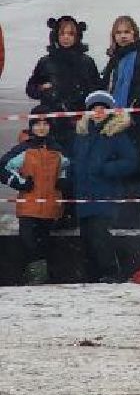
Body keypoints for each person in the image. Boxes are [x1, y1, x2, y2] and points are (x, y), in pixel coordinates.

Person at [70, 91, 138, 282]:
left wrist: (106, 169)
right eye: (94, 108)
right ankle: (93, 274)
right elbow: (75, 160)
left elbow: (131, 161)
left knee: (100, 235)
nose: (98, 111)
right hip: (83, 193)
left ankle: (112, 272)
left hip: (105, 192)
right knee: (87, 237)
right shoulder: (81, 134)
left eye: (102, 108)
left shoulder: (116, 134)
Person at [101, 16, 140, 227]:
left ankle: (130, 225)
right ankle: (115, 223)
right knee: (115, 171)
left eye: (127, 31)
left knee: (133, 171)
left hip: (134, 125)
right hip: (112, 124)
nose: (123, 36)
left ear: (134, 33)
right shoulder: (114, 59)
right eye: (119, 32)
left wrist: (130, 114)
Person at [2, 112, 68, 284]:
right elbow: (3, 168)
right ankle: (35, 278)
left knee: (44, 244)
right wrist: (20, 183)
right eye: (37, 124)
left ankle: (38, 279)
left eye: (45, 124)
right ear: (31, 127)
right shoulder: (23, 149)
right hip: (28, 206)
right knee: (29, 243)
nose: (41, 127)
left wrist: (62, 181)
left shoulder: (58, 149)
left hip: (50, 207)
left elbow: (67, 169)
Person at [25, 15, 103, 150]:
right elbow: (30, 88)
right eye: (62, 33)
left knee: (77, 159)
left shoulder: (87, 62)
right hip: (52, 124)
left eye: (70, 34)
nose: (66, 37)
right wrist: (41, 88)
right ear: (56, 35)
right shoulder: (45, 62)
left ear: (77, 36)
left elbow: (97, 90)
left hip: (79, 122)